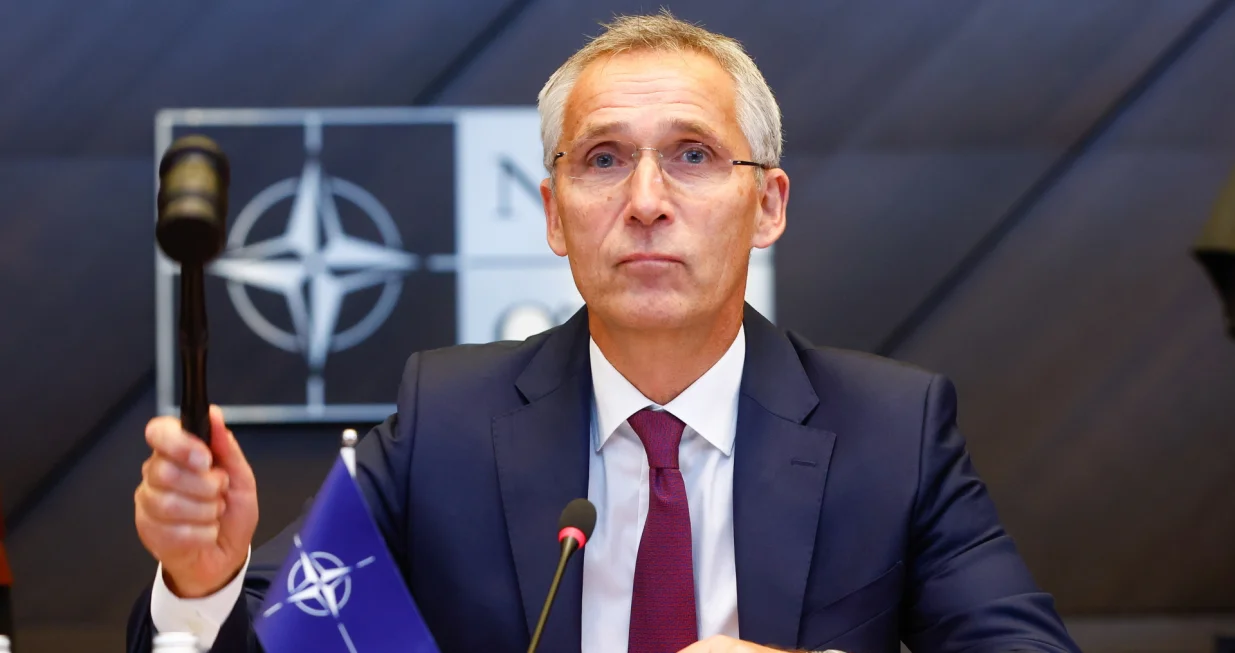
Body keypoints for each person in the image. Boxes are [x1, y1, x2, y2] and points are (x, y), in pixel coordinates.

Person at [128, 12, 1080, 653]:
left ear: (768, 204)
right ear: (552, 213)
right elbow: (287, 630)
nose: (646, 202)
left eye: (693, 156)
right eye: (603, 160)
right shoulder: (448, 423)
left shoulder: (892, 430)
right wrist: (203, 579)